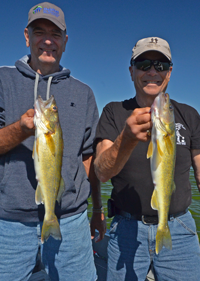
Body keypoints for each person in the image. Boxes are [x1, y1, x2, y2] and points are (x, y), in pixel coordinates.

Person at [0, 2, 106, 281]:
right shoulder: (2, 80)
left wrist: (96, 208)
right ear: (27, 36)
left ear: (65, 41)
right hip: (8, 223)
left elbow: (89, 159)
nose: (48, 40)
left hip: (72, 222)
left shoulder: (84, 93)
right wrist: (21, 130)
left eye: (55, 34)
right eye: (39, 32)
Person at [94, 36, 200, 281]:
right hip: (126, 228)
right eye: (144, 64)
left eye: (160, 66)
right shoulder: (113, 112)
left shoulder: (190, 115)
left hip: (180, 228)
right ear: (131, 71)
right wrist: (127, 138)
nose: (152, 71)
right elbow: (101, 171)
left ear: (170, 73)